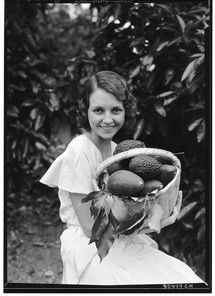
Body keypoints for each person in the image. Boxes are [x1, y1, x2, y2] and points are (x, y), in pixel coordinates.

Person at [40, 71, 204, 285]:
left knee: (185, 280)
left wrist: (159, 215)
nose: (108, 119)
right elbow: (91, 228)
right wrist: (156, 225)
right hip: (90, 248)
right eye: (98, 110)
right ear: (85, 110)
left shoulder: (119, 151)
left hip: (122, 241)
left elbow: (130, 204)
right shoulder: (79, 152)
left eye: (116, 110)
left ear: (125, 111)